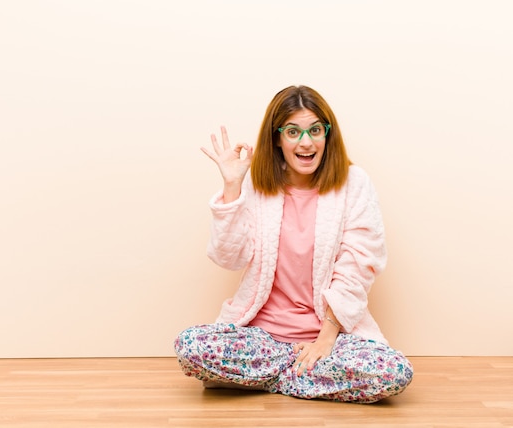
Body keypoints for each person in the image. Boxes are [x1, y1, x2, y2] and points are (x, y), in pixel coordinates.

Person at [173, 85, 413, 403]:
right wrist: (233, 186)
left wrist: (324, 341)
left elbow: (359, 266)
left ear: (328, 134)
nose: (306, 142)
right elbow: (228, 257)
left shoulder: (355, 184)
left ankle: (259, 378)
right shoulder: (260, 186)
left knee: (394, 372)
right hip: (262, 337)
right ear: (277, 138)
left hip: (329, 337)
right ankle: (298, 378)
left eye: (315, 130)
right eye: (292, 131)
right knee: (190, 346)